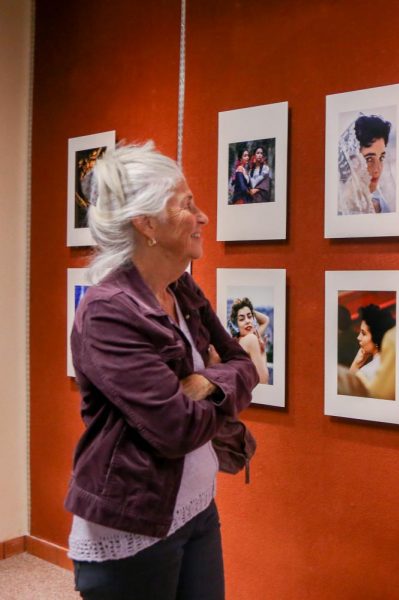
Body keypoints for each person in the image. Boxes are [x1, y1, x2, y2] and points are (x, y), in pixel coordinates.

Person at [66, 141, 259, 600]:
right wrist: (220, 383)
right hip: (132, 524)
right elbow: (176, 428)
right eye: (187, 204)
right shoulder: (108, 312)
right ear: (147, 224)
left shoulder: (182, 289)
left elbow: (244, 364)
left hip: (196, 505)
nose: (203, 217)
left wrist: (204, 383)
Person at [337, 114, 395, 215]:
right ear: (351, 160)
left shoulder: (381, 203)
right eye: (369, 159)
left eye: (381, 158)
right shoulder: (340, 211)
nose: (377, 169)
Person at [348, 304, 395, 389]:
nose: (358, 337)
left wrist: (355, 364)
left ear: (377, 336)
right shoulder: (393, 362)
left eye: (363, 333)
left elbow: (345, 392)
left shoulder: (365, 373)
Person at [229, 297, 271, 385]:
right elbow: (263, 381)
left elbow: (265, 320)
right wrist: (263, 353)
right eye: (241, 319)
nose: (247, 321)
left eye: (249, 317)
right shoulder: (251, 339)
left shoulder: (239, 340)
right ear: (236, 324)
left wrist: (247, 309)